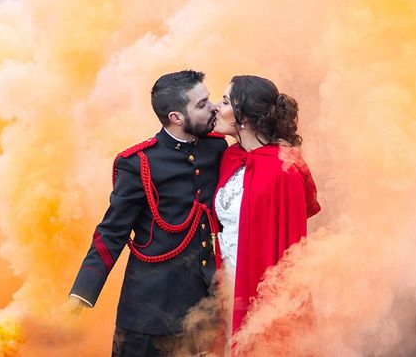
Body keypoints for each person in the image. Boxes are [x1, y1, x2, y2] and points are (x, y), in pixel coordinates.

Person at [67, 70, 229, 356]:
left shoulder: (216, 147)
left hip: (205, 303)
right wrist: (82, 292)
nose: (214, 106)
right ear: (176, 118)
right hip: (150, 308)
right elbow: (112, 231)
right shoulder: (139, 162)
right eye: (202, 104)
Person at [212, 75, 321, 336]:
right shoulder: (230, 156)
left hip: (259, 283)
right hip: (223, 285)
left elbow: (289, 246)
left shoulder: (283, 169)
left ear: (245, 118)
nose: (216, 106)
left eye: (225, 101)